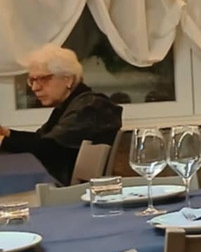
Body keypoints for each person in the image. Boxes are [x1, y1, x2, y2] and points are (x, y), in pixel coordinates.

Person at [0, 44, 123, 185]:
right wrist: (7, 133)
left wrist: (3, 141)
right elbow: (42, 138)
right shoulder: (70, 105)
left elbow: (49, 148)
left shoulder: (91, 106)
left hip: (77, 192)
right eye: (32, 80)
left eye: (43, 79)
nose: (35, 88)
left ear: (68, 79)